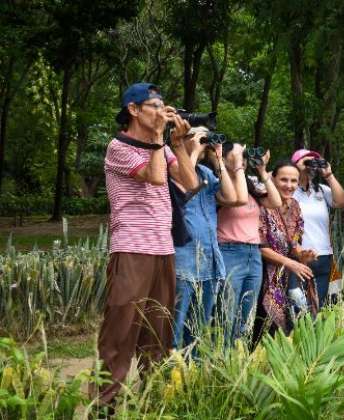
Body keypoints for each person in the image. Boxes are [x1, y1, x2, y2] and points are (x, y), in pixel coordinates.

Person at [95, 82, 199, 406]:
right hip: (131, 249)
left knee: (158, 333)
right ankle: (105, 407)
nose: (161, 112)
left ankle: (154, 403)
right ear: (134, 110)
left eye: (163, 107)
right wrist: (158, 138)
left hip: (163, 249)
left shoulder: (162, 147)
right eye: (155, 106)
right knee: (121, 332)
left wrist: (178, 143)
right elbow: (155, 177)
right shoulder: (118, 147)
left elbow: (190, 183)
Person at [171, 127, 238, 349]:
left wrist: (218, 159)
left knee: (199, 328)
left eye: (205, 138)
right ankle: (169, 375)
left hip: (209, 261)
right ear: (183, 139)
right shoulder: (172, 170)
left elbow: (230, 197)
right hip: (184, 260)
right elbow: (185, 184)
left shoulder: (205, 173)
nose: (203, 141)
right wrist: (191, 151)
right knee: (176, 325)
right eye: (197, 136)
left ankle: (194, 376)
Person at [218, 144, 281, 344]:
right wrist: (237, 169)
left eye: (244, 156)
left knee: (247, 314)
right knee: (227, 314)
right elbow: (239, 198)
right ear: (222, 156)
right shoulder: (219, 183)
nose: (242, 159)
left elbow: (276, 201)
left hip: (253, 253)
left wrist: (262, 171)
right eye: (237, 154)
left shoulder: (251, 184)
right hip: (229, 251)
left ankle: (239, 360)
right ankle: (222, 359)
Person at [258, 161, 318, 334]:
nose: (289, 185)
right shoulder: (263, 203)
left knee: (289, 328)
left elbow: (295, 242)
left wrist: (303, 255)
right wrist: (290, 263)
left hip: (287, 274)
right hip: (263, 273)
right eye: (284, 180)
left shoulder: (295, 206)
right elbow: (260, 246)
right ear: (272, 179)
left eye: (294, 181)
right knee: (262, 328)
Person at [292, 149, 344, 308]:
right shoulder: (288, 189)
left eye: (314, 163)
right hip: (299, 256)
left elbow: (342, 202)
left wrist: (328, 175)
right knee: (297, 305)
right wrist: (297, 168)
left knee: (317, 305)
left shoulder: (321, 190)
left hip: (323, 257)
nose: (311, 166)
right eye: (307, 162)